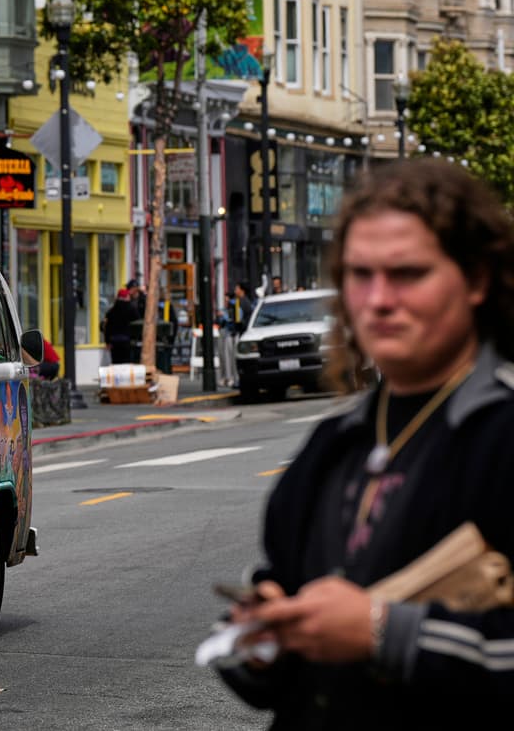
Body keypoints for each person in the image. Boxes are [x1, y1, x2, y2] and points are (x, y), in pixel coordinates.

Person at [210, 159, 514, 726]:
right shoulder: (334, 442)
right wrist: (262, 636)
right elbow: (283, 593)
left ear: (476, 280)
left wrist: (383, 631)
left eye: (408, 274)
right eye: (360, 274)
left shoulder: (500, 434)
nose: (378, 299)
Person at [104, 287, 139, 365]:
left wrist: (107, 341)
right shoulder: (131, 309)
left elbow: (107, 327)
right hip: (127, 340)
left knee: (116, 362)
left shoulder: (112, 311)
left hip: (114, 341)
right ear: (126, 297)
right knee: (126, 363)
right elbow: (137, 323)